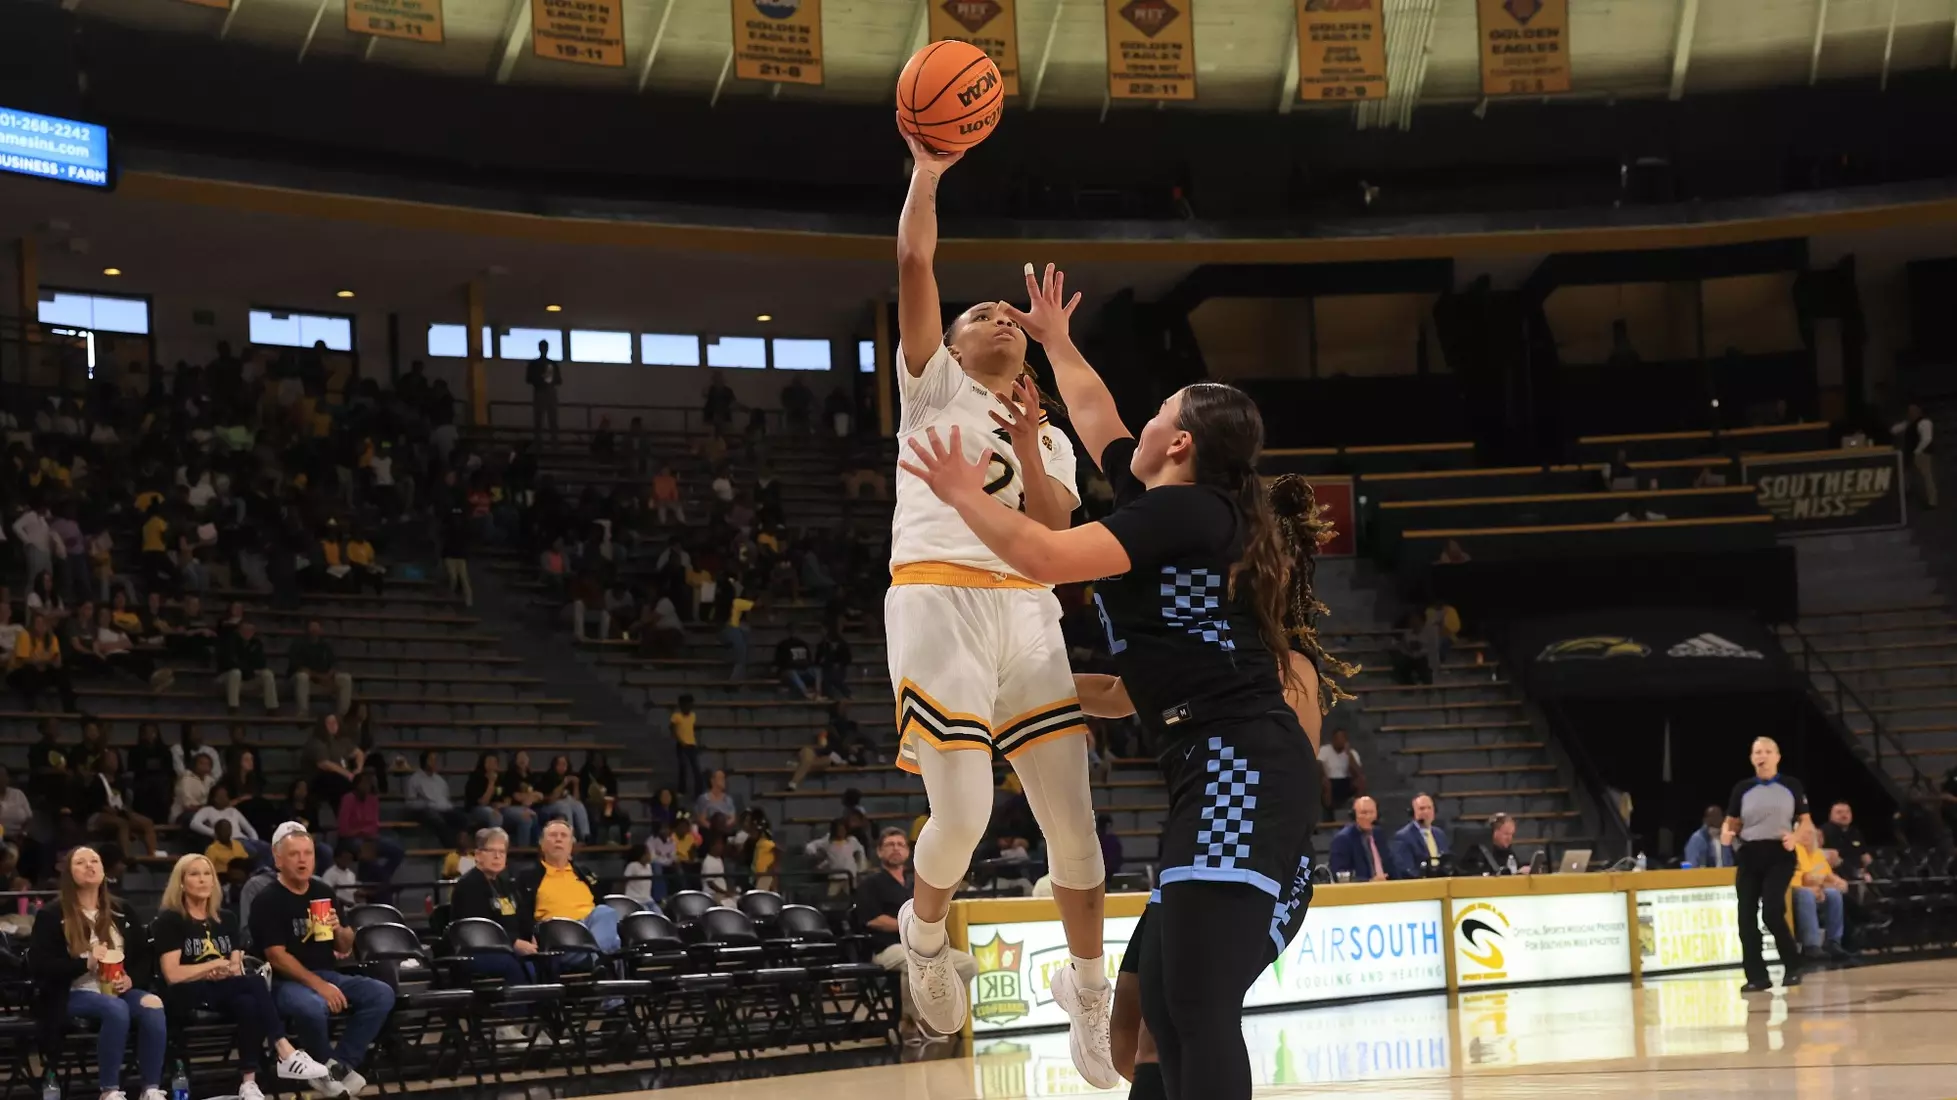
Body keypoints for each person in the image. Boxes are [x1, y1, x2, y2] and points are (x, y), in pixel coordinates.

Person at [898, 259, 1348, 1100]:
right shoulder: (1176, 503)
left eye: (1157, 417)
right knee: (1147, 1007)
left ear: (1178, 444)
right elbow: (1096, 410)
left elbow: (1043, 554)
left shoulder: (1183, 513)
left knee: (1195, 1001)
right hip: (1205, 768)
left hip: (1240, 770)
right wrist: (1059, 340)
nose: (1131, 425)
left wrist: (963, 492)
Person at [887, 133, 1109, 1082]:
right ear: (954, 344)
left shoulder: (1048, 437)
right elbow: (913, 258)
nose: (996, 319)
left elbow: (1059, 540)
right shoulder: (930, 381)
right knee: (966, 815)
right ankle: (926, 938)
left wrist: (1032, 437)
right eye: (980, 313)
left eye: (1005, 317)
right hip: (937, 598)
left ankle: (1089, 995)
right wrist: (928, 173)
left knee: (1075, 824)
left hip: (1027, 609)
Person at [151, 854, 331, 1100]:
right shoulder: (170, 919)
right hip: (185, 993)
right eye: (194, 874)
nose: (203, 880)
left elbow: (235, 967)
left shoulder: (227, 918)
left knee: (249, 1002)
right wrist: (211, 966)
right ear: (181, 883)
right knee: (254, 984)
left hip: (223, 987)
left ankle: (249, 1083)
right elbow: (172, 974)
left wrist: (226, 970)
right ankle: (284, 1050)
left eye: (207, 874)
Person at [250, 821, 395, 1094]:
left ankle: (336, 1067)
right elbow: (276, 956)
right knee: (312, 1006)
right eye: (294, 854)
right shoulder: (267, 900)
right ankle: (325, 1069)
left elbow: (345, 945)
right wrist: (320, 986)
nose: (302, 860)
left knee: (381, 993)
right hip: (284, 981)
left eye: (308, 853)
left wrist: (339, 928)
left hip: (326, 972)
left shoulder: (323, 892)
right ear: (278, 859)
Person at [30, 846, 169, 1100]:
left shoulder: (121, 910)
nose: (89, 866)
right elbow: (42, 965)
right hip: (71, 992)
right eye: (80, 863)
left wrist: (131, 980)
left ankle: (150, 1088)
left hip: (116, 990)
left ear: (104, 871)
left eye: (94, 860)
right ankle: (110, 1090)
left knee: (153, 1003)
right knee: (114, 1009)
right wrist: (86, 964)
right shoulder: (52, 914)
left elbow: (142, 956)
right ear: (69, 874)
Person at [855, 827, 977, 1032]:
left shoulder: (918, 883)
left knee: (968, 964)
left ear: (908, 852)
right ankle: (911, 1022)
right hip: (887, 947)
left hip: (924, 946)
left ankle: (936, 1012)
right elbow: (872, 920)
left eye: (900, 844)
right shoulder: (870, 883)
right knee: (913, 963)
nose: (896, 849)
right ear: (879, 852)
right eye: (890, 845)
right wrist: (910, 927)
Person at [1722, 736, 1810, 993]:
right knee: (1745, 915)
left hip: (1779, 853)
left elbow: (1805, 821)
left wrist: (1795, 837)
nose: (1762, 756)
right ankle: (1756, 975)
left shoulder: (1791, 785)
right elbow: (1732, 821)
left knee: (1772, 910)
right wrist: (1727, 832)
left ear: (1777, 756)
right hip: (1750, 853)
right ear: (1752, 758)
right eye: (1757, 752)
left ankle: (1793, 965)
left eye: (1767, 751)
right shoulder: (1742, 788)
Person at [512, 819, 634, 954]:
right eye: (553, 835)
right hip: (556, 934)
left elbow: (600, 902)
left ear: (570, 845)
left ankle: (593, 958)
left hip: (590, 930)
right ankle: (599, 959)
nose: (558, 839)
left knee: (605, 912)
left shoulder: (584, 873)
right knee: (611, 942)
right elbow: (522, 915)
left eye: (563, 836)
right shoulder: (528, 876)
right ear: (542, 844)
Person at [449, 827, 543, 985]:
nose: (497, 856)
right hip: (479, 949)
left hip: (508, 947)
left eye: (502, 851)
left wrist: (533, 935)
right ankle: (519, 1009)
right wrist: (513, 943)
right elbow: (479, 928)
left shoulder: (505, 883)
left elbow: (522, 916)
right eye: (491, 851)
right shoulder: (469, 885)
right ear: (478, 855)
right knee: (513, 964)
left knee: (548, 959)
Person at [1789, 821, 1852, 961]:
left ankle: (1833, 942)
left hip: (1813, 890)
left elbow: (1825, 875)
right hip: (1792, 891)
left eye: (1811, 833)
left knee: (1834, 894)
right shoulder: (1793, 849)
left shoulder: (1816, 853)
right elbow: (1805, 878)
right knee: (1806, 894)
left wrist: (1837, 881)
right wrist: (1817, 886)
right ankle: (1811, 945)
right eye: (1804, 833)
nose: (1808, 836)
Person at [464, 751, 537, 847]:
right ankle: (493, 848)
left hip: (501, 808)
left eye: (494, 762)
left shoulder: (502, 777)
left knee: (526, 818)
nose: (492, 765)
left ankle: (522, 851)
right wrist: (491, 783)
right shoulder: (476, 778)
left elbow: (507, 797)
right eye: (489, 762)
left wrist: (504, 803)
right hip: (479, 809)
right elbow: (483, 802)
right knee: (495, 816)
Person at [12, 611, 77, 712]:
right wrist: (45, 661)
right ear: (32, 625)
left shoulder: (52, 638)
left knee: (62, 672)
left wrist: (42, 662)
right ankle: (33, 707)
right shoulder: (25, 635)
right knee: (29, 671)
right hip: (19, 672)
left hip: (41, 671)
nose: (40, 626)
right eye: (37, 623)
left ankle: (70, 709)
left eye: (43, 623)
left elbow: (57, 662)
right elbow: (23, 660)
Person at [289, 619, 354, 717]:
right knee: (302, 677)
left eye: (317, 627)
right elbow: (300, 668)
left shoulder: (325, 646)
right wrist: (320, 677)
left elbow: (334, 665)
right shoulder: (298, 644)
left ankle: (341, 715)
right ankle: (303, 712)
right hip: (304, 681)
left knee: (346, 678)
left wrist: (328, 676)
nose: (314, 630)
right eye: (312, 627)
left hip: (324, 681)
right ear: (307, 629)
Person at [404, 749, 468, 841]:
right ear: (424, 761)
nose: (434, 762)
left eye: (435, 760)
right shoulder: (414, 779)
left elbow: (446, 799)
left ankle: (463, 845)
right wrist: (426, 804)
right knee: (437, 819)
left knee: (462, 818)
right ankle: (450, 847)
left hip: (443, 809)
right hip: (425, 811)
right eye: (431, 760)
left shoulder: (440, 780)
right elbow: (410, 803)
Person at [217, 618, 279, 712]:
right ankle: (233, 707)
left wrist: (248, 669)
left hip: (247, 679)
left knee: (267, 673)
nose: (248, 633)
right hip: (227, 678)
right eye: (245, 630)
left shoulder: (256, 644)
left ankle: (272, 708)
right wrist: (250, 669)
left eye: (250, 630)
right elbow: (230, 663)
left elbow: (261, 663)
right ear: (239, 630)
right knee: (235, 672)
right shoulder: (230, 642)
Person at [1329, 797, 1396, 882]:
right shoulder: (1343, 839)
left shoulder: (1379, 834)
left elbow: (1391, 866)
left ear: (1377, 815)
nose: (1368, 817)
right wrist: (1369, 882)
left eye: (1371, 812)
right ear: (1354, 815)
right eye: (1363, 813)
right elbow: (1340, 875)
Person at [1391, 792, 1449, 878]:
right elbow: (1407, 869)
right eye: (1422, 809)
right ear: (1413, 812)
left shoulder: (1439, 834)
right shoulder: (1403, 836)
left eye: (1429, 808)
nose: (1426, 812)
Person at [806, 817, 867, 896]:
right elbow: (811, 846)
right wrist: (815, 854)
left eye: (843, 829)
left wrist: (861, 867)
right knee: (830, 898)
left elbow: (861, 851)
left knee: (854, 898)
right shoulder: (827, 842)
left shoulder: (852, 841)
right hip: (835, 877)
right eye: (839, 829)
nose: (841, 832)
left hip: (850, 877)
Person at [1892, 402, 1936, 509]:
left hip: (1922, 453)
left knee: (1926, 476)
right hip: (1910, 452)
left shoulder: (1924, 422)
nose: (1910, 413)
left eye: (1912, 411)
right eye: (1909, 411)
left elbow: (1927, 439)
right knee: (1906, 473)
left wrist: (1917, 451)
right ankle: (1906, 491)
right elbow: (1895, 429)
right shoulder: (1909, 423)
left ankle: (1932, 501)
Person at [1316, 726, 1365, 819]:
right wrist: (1323, 776)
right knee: (1326, 784)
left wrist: (1349, 755)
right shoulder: (1324, 750)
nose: (1340, 741)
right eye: (1337, 738)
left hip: (1346, 781)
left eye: (1342, 738)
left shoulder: (1352, 753)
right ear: (1333, 739)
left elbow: (1358, 772)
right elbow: (1318, 764)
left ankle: (1358, 812)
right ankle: (1328, 814)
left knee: (1361, 781)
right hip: (1330, 781)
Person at [1822, 800, 1872, 879]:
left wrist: (1870, 870)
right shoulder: (1824, 832)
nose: (1844, 815)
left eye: (1847, 812)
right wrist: (1856, 873)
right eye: (1839, 812)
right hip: (1835, 876)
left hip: (1860, 875)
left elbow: (1865, 856)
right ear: (1830, 815)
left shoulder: (1855, 832)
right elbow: (1833, 860)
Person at [526, 339, 562, 443]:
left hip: (543, 392)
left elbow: (558, 380)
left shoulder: (536, 364)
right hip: (543, 392)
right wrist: (543, 379)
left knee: (548, 419)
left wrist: (542, 379)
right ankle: (549, 442)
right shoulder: (549, 364)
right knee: (545, 419)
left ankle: (547, 442)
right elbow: (558, 380)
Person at [669, 694, 702, 797]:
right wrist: (679, 740)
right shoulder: (676, 716)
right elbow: (672, 729)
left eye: (690, 705)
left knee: (696, 769)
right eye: (687, 705)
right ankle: (681, 790)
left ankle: (699, 791)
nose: (689, 707)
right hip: (681, 745)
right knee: (683, 767)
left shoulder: (693, 715)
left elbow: (692, 729)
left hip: (692, 745)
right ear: (681, 705)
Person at [1683, 804, 1734, 868]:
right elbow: (1693, 865)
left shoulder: (1727, 836)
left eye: (1719, 816)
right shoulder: (1697, 839)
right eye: (1713, 816)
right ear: (1705, 820)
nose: (1716, 819)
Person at [774, 631, 821, 700]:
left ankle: (818, 693)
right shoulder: (783, 645)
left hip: (802, 670)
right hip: (788, 671)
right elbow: (779, 662)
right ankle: (806, 693)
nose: (793, 633)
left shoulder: (803, 644)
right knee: (792, 673)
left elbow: (809, 660)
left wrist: (804, 665)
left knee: (818, 670)